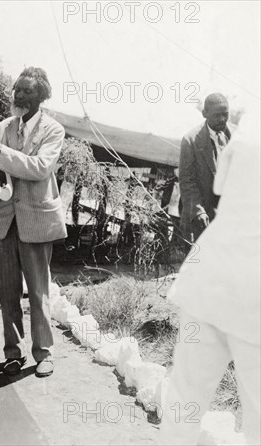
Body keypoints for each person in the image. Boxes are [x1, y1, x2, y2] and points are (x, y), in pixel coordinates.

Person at [158, 112, 260, 445]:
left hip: (209, 280)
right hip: (250, 296)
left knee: (184, 401)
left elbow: (219, 184)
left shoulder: (248, 127)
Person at [0, 67, 67, 378]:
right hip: (6, 220)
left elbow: (39, 168)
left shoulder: (53, 130)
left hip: (37, 220)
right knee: (7, 292)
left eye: (28, 91)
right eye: (17, 90)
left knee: (38, 292)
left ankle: (43, 353)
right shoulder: (4, 127)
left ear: (42, 97)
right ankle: (13, 352)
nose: (20, 96)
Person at [179, 93, 233, 242]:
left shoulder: (234, 138)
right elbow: (187, 181)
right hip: (200, 221)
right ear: (205, 114)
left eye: (225, 114)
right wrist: (198, 212)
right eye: (217, 115)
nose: (222, 119)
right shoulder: (190, 140)